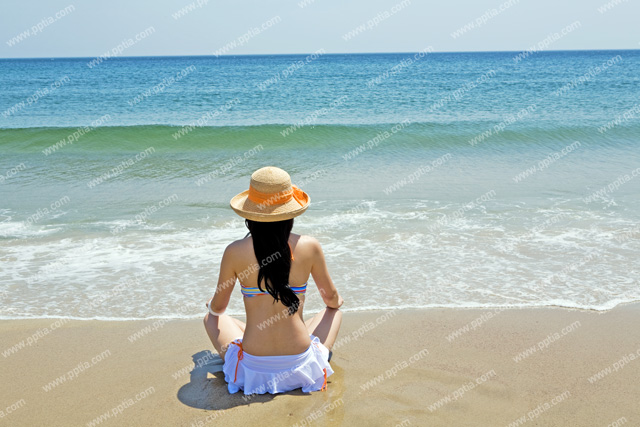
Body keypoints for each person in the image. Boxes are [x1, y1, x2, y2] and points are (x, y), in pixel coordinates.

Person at [204, 166, 344, 395]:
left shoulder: (235, 251)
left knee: (211, 318)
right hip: (300, 364)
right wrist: (337, 302)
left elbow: (219, 309)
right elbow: (331, 299)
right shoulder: (309, 246)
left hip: (254, 368)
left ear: (250, 213)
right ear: (290, 213)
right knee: (334, 312)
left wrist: (210, 305)